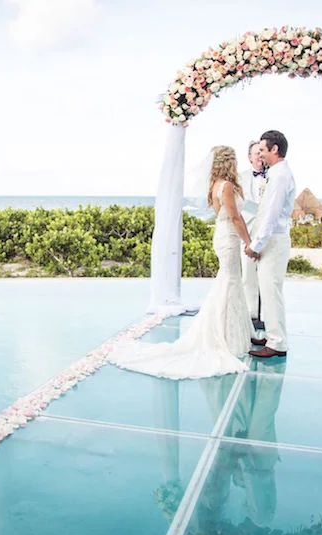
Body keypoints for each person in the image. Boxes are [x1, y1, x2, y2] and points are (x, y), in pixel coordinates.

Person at [108, 146, 259, 379]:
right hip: (229, 238)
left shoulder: (216, 185)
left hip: (224, 235)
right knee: (229, 281)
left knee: (230, 281)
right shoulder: (226, 186)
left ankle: (234, 332)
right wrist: (249, 242)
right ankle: (222, 334)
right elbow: (235, 217)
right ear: (229, 163)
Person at [245, 130, 296, 358]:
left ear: (274, 149)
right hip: (271, 240)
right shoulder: (276, 173)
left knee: (271, 290)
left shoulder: (280, 175)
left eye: (263, 150)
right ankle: (274, 335)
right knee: (267, 290)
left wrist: (255, 245)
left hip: (274, 240)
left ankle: (277, 343)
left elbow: (271, 215)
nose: (261, 155)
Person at [238, 141, 267, 323]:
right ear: (249, 157)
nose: (259, 156)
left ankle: (266, 315)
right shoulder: (240, 178)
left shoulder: (274, 176)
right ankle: (252, 315)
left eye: (261, 153)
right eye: (256, 153)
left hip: (268, 233)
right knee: (248, 276)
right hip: (247, 232)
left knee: (266, 277)